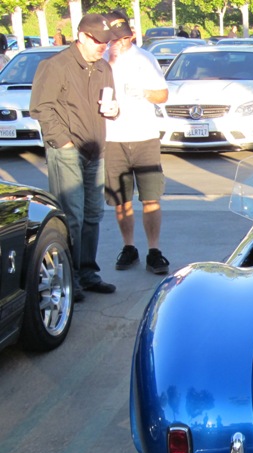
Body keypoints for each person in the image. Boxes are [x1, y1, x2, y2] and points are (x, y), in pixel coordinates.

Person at [30, 13, 120, 301]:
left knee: (93, 214)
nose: (103, 46)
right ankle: (70, 278)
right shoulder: (56, 65)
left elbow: (110, 102)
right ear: (81, 36)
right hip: (67, 150)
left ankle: (88, 272)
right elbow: (41, 108)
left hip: (95, 149)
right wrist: (64, 142)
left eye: (106, 42)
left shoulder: (103, 67)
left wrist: (114, 110)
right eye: (98, 41)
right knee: (72, 217)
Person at [104, 11, 170, 276]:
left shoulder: (145, 58)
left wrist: (143, 92)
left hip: (144, 136)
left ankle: (154, 250)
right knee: (121, 200)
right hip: (113, 137)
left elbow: (163, 94)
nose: (118, 43)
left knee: (151, 198)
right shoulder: (102, 60)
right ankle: (128, 247)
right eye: (113, 39)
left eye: (123, 38)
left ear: (130, 36)